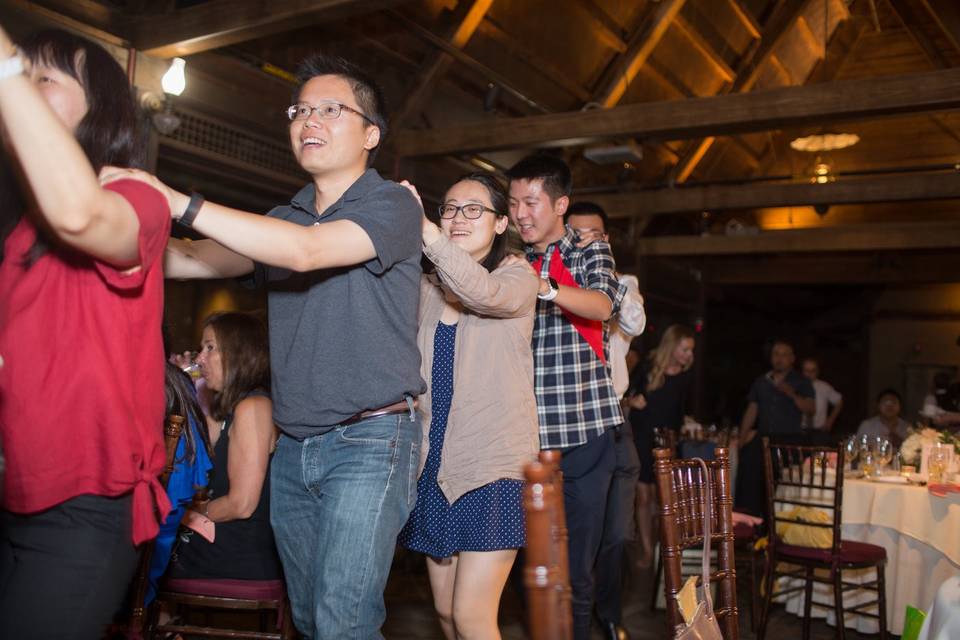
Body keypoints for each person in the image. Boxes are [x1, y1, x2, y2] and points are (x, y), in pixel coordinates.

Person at [133, 54, 425, 638]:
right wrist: (103, 230)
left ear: (371, 133)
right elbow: (191, 257)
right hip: (293, 446)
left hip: (370, 439)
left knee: (343, 619)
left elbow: (306, 252)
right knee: (313, 620)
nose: (307, 120)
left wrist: (177, 201)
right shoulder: (282, 217)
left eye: (329, 109)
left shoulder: (392, 205)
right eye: (300, 110)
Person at [0, 27, 171, 636]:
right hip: (17, 492)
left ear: (98, 108)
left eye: (45, 77)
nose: (27, 86)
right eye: (26, 74)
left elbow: (79, 214)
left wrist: (5, 67)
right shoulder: (20, 233)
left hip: (86, 505)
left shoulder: (132, 196)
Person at [397, 173, 539, 639]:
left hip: (492, 466)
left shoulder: (517, 277)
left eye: (474, 209)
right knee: (444, 613)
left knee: (472, 616)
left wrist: (429, 234)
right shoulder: (428, 287)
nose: (458, 217)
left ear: (501, 224)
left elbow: (483, 292)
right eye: (450, 208)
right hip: (434, 463)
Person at [507, 153, 626, 640]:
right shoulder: (509, 257)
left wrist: (546, 287)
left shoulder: (587, 250)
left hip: (584, 437)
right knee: (526, 566)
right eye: (513, 202)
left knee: (575, 570)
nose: (520, 213)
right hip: (523, 442)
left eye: (531, 202)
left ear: (560, 204)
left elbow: (601, 303)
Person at [565, 201, 645, 640]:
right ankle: (575, 618)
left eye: (593, 234)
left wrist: (603, 272)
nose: (584, 241)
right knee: (578, 536)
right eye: (575, 234)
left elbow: (634, 320)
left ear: (607, 239)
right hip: (571, 427)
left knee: (617, 534)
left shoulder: (621, 284)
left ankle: (609, 615)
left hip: (615, 424)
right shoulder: (555, 280)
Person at [166, 312, 282, 582]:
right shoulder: (237, 408)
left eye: (210, 348)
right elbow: (205, 447)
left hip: (237, 551)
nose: (198, 358)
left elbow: (241, 505)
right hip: (224, 541)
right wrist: (189, 387)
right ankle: (165, 620)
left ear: (239, 353)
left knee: (140, 556)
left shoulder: (253, 408)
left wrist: (189, 514)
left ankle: (162, 620)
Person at [627, 324, 695, 568]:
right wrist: (632, 402)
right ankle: (646, 550)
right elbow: (624, 396)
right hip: (642, 435)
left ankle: (660, 549)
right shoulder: (648, 367)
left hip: (668, 441)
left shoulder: (686, 377)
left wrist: (686, 426)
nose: (689, 355)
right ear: (672, 346)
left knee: (662, 497)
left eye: (690, 350)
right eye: (685, 349)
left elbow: (682, 411)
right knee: (643, 496)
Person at [735, 340, 815, 516]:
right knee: (751, 480)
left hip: (789, 440)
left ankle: (781, 525)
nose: (779, 359)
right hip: (763, 438)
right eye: (776, 354)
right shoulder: (762, 381)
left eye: (784, 355)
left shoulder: (801, 381)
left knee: (784, 485)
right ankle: (751, 524)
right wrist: (741, 439)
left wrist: (791, 394)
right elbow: (752, 410)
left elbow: (810, 409)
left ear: (792, 358)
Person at [801, 357, 843, 433]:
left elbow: (839, 402)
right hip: (800, 428)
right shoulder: (797, 386)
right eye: (806, 371)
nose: (809, 374)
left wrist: (830, 421)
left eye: (812, 371)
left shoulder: (824, 387)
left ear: (817, 372)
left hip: (819, 429)